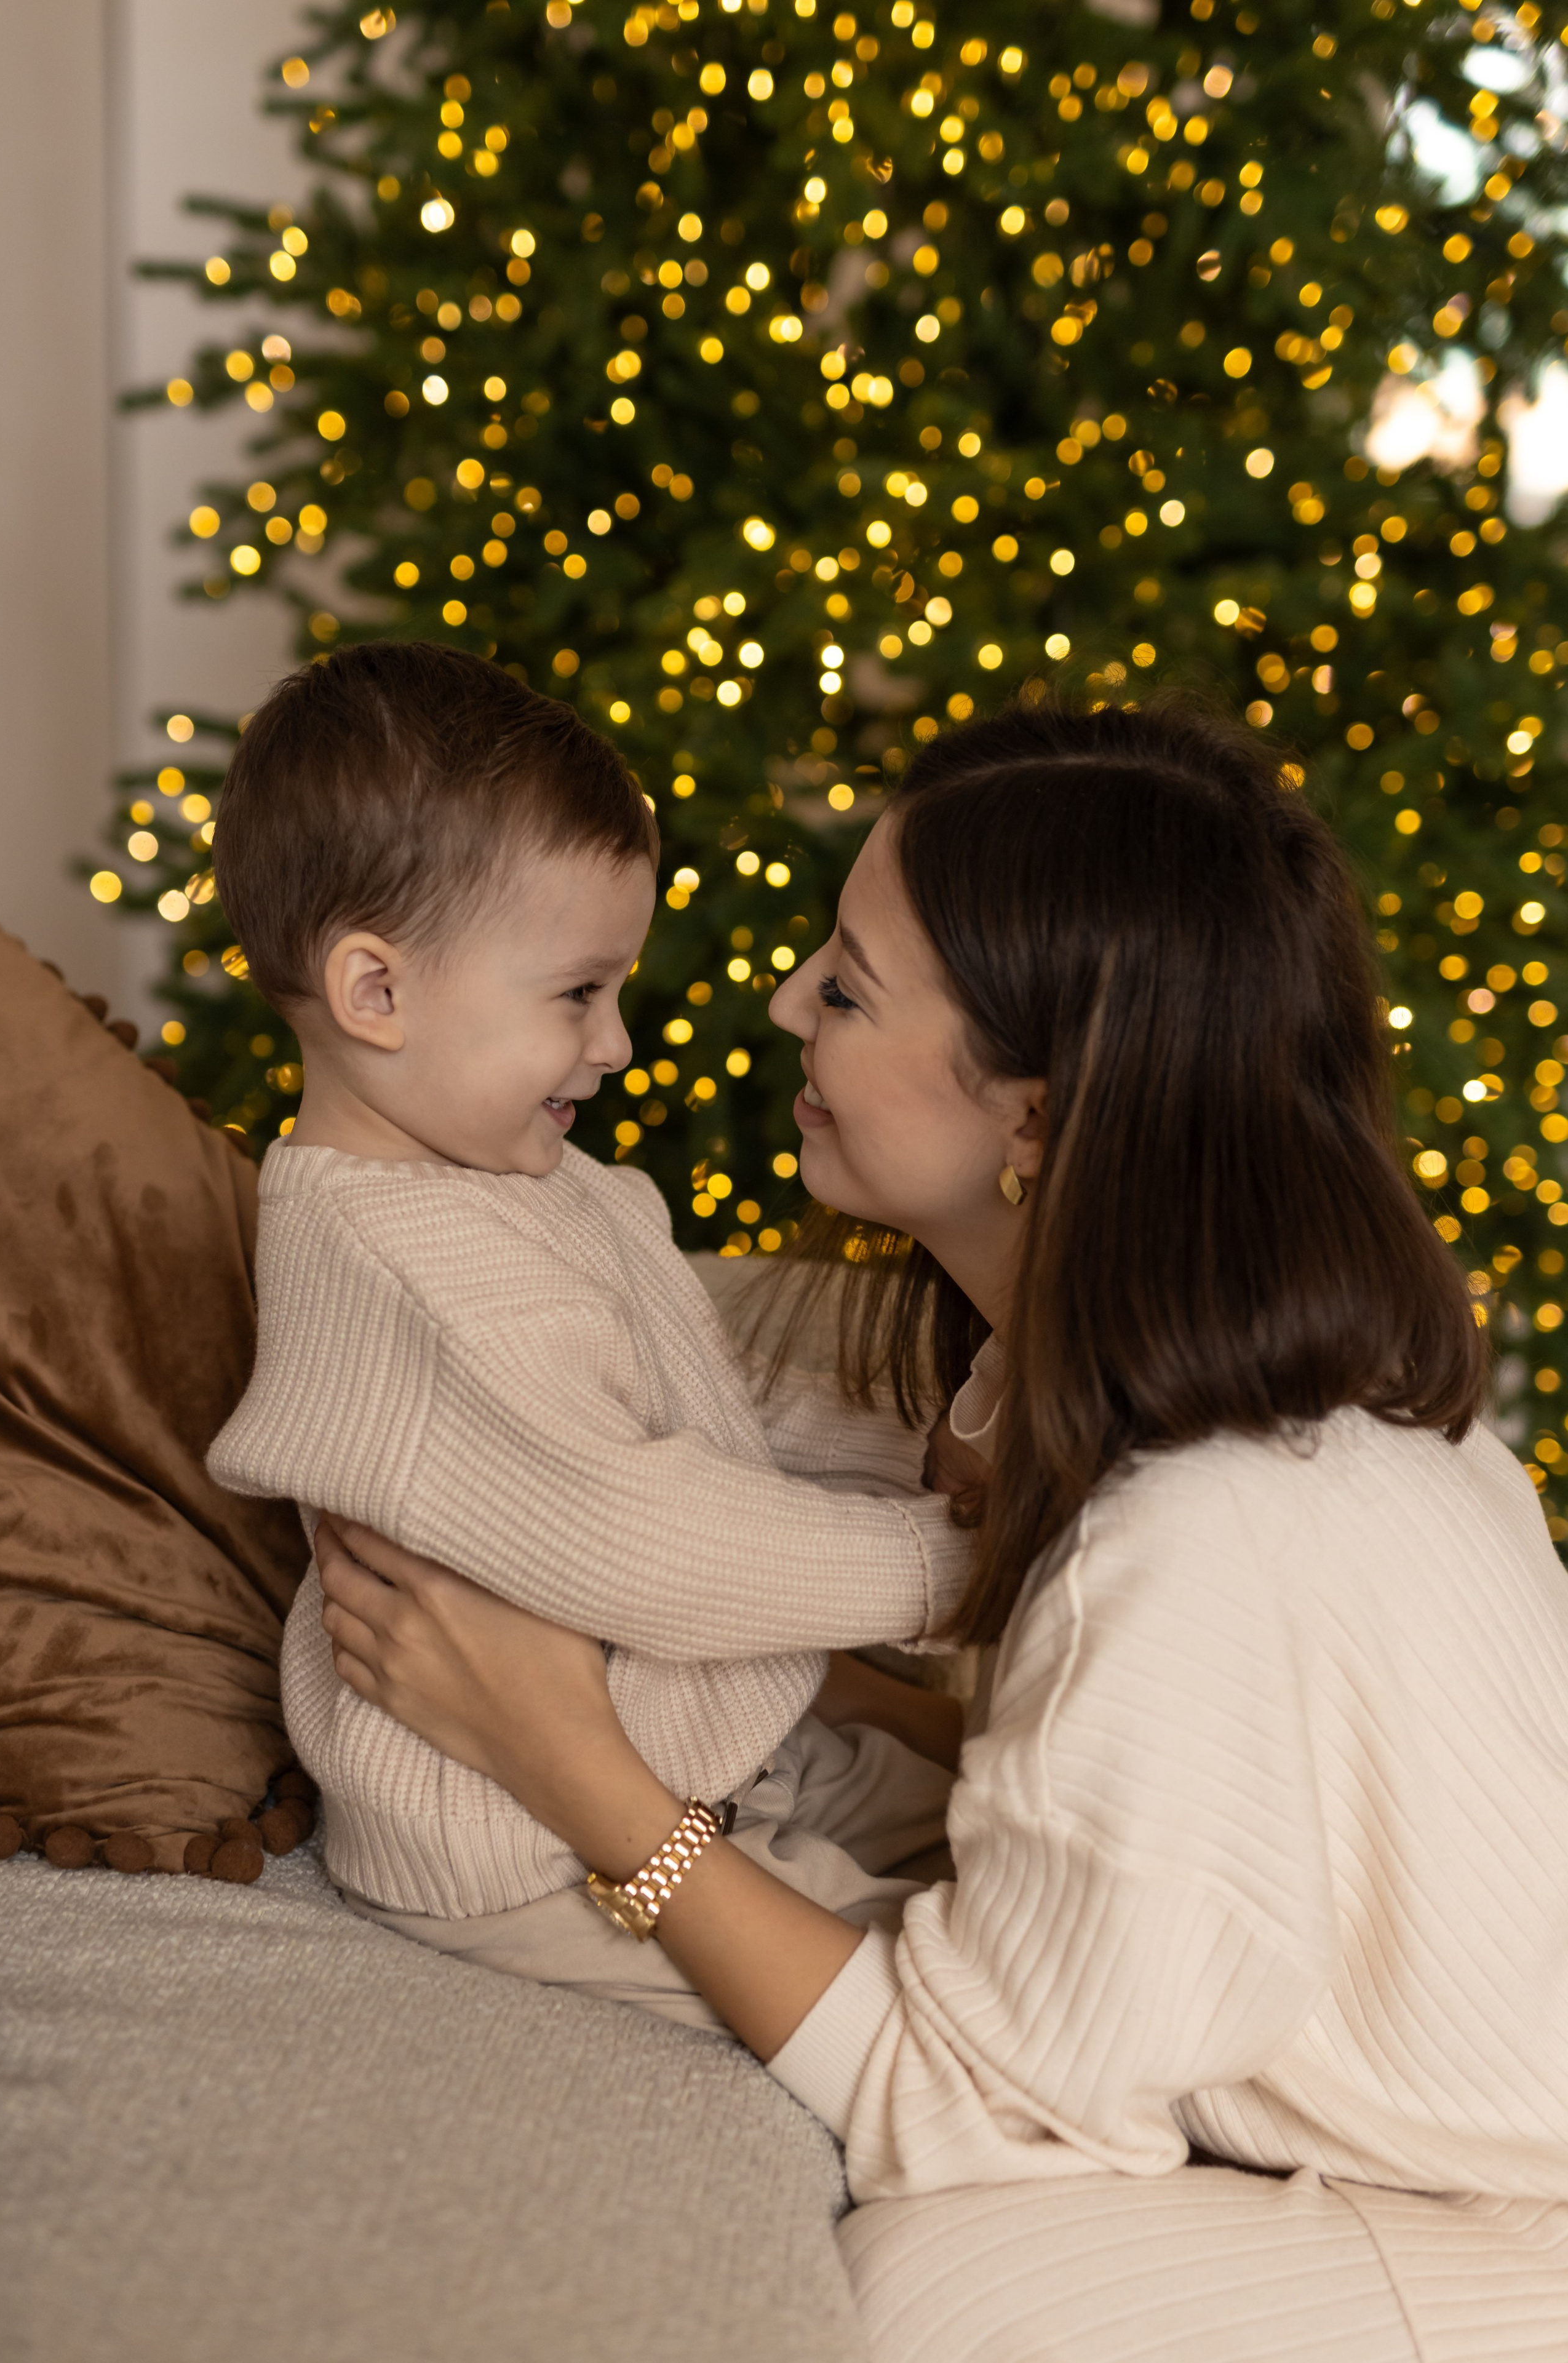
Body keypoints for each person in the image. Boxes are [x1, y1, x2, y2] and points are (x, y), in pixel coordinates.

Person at [314, 694, 1568, 2363]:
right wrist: (852, 1688)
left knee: (935, 2292)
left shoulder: (1201, 1536)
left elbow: (961, 2101)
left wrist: (577, 1770)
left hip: (1515, 2223)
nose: (778, 1005)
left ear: (1038, 1121)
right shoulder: (1212, 1374)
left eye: (844, 986)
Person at [206, 642, 963, 2026]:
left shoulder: (512, 1181)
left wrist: (942, 1432)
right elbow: (648, 1540)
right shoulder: (402, 1267)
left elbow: (700, 1384)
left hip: (719, 1743)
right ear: (375, 994)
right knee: (962, 1984)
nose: (615, 1043)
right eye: (574, 994)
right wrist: (953, 1559)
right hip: (523, 1847)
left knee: (1018, 1812)